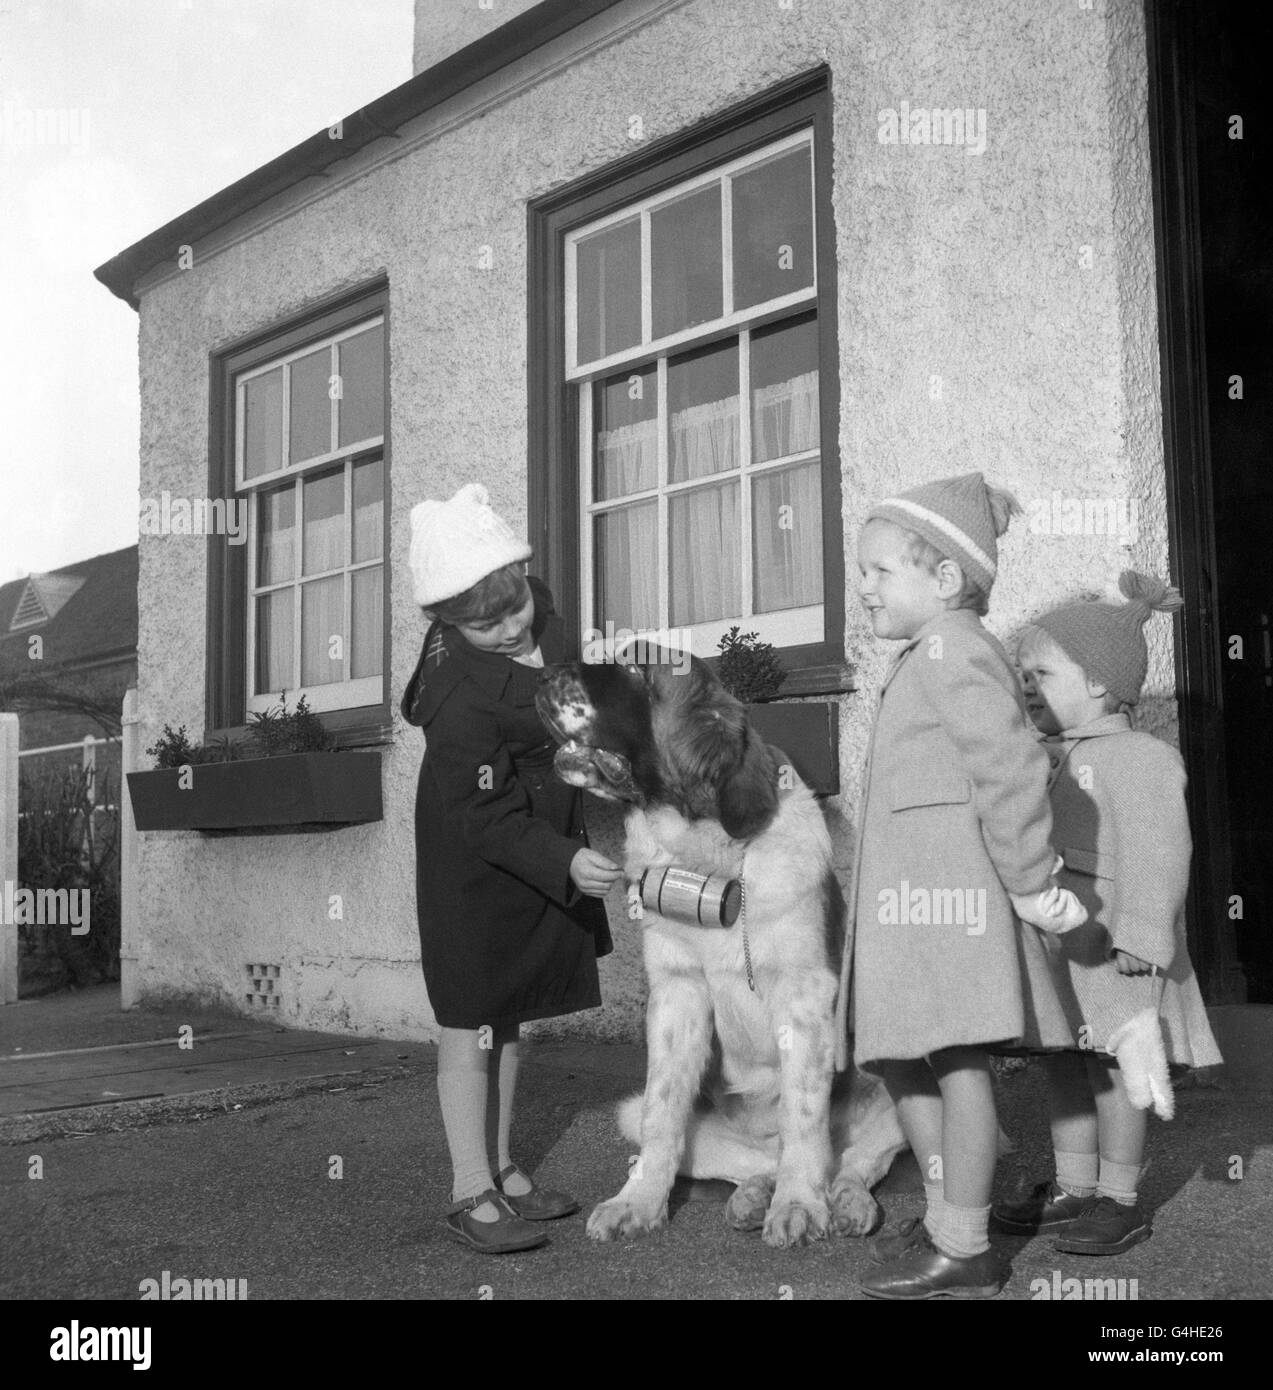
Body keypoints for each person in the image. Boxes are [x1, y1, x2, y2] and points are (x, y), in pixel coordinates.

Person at [839, 471, 1086, 1300]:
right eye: (861, 571)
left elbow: (1010, 764)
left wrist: (1028, 880)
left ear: (944, 579)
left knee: (953, 1064)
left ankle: (964, 1246)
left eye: (879, 572)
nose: (862, 588)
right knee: (901, 1061)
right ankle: (951, 1209)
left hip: (949, 909)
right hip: (908, 913)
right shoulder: (924, 655)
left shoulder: (953, 646)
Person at [401, 482, 622, 1253]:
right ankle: (469, 1191)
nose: (506, 630)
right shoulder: (457, 697)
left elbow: (574, 691)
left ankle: (501, 1166)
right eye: (481, 625)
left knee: (510, 1012)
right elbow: (483, 815)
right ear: (447, 623)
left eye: (512, 612)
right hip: (477, 859)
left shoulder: (542, 611)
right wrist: (564, 860)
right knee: (470, 1014)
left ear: (524, 582)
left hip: (538, 834)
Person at [992, 572, 1222, 1254]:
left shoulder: (1142, 758)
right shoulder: (1053, 758)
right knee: (1066, 1060)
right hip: (1065, 946)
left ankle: (1119, 1200)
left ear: (1096, 682)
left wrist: (1146, 936)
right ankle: (1073, 1188)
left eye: (1039, 671)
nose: (1024, 684)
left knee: (1118, 1066)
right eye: (1020, 673)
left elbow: (1161, 852)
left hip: (1119, 941)